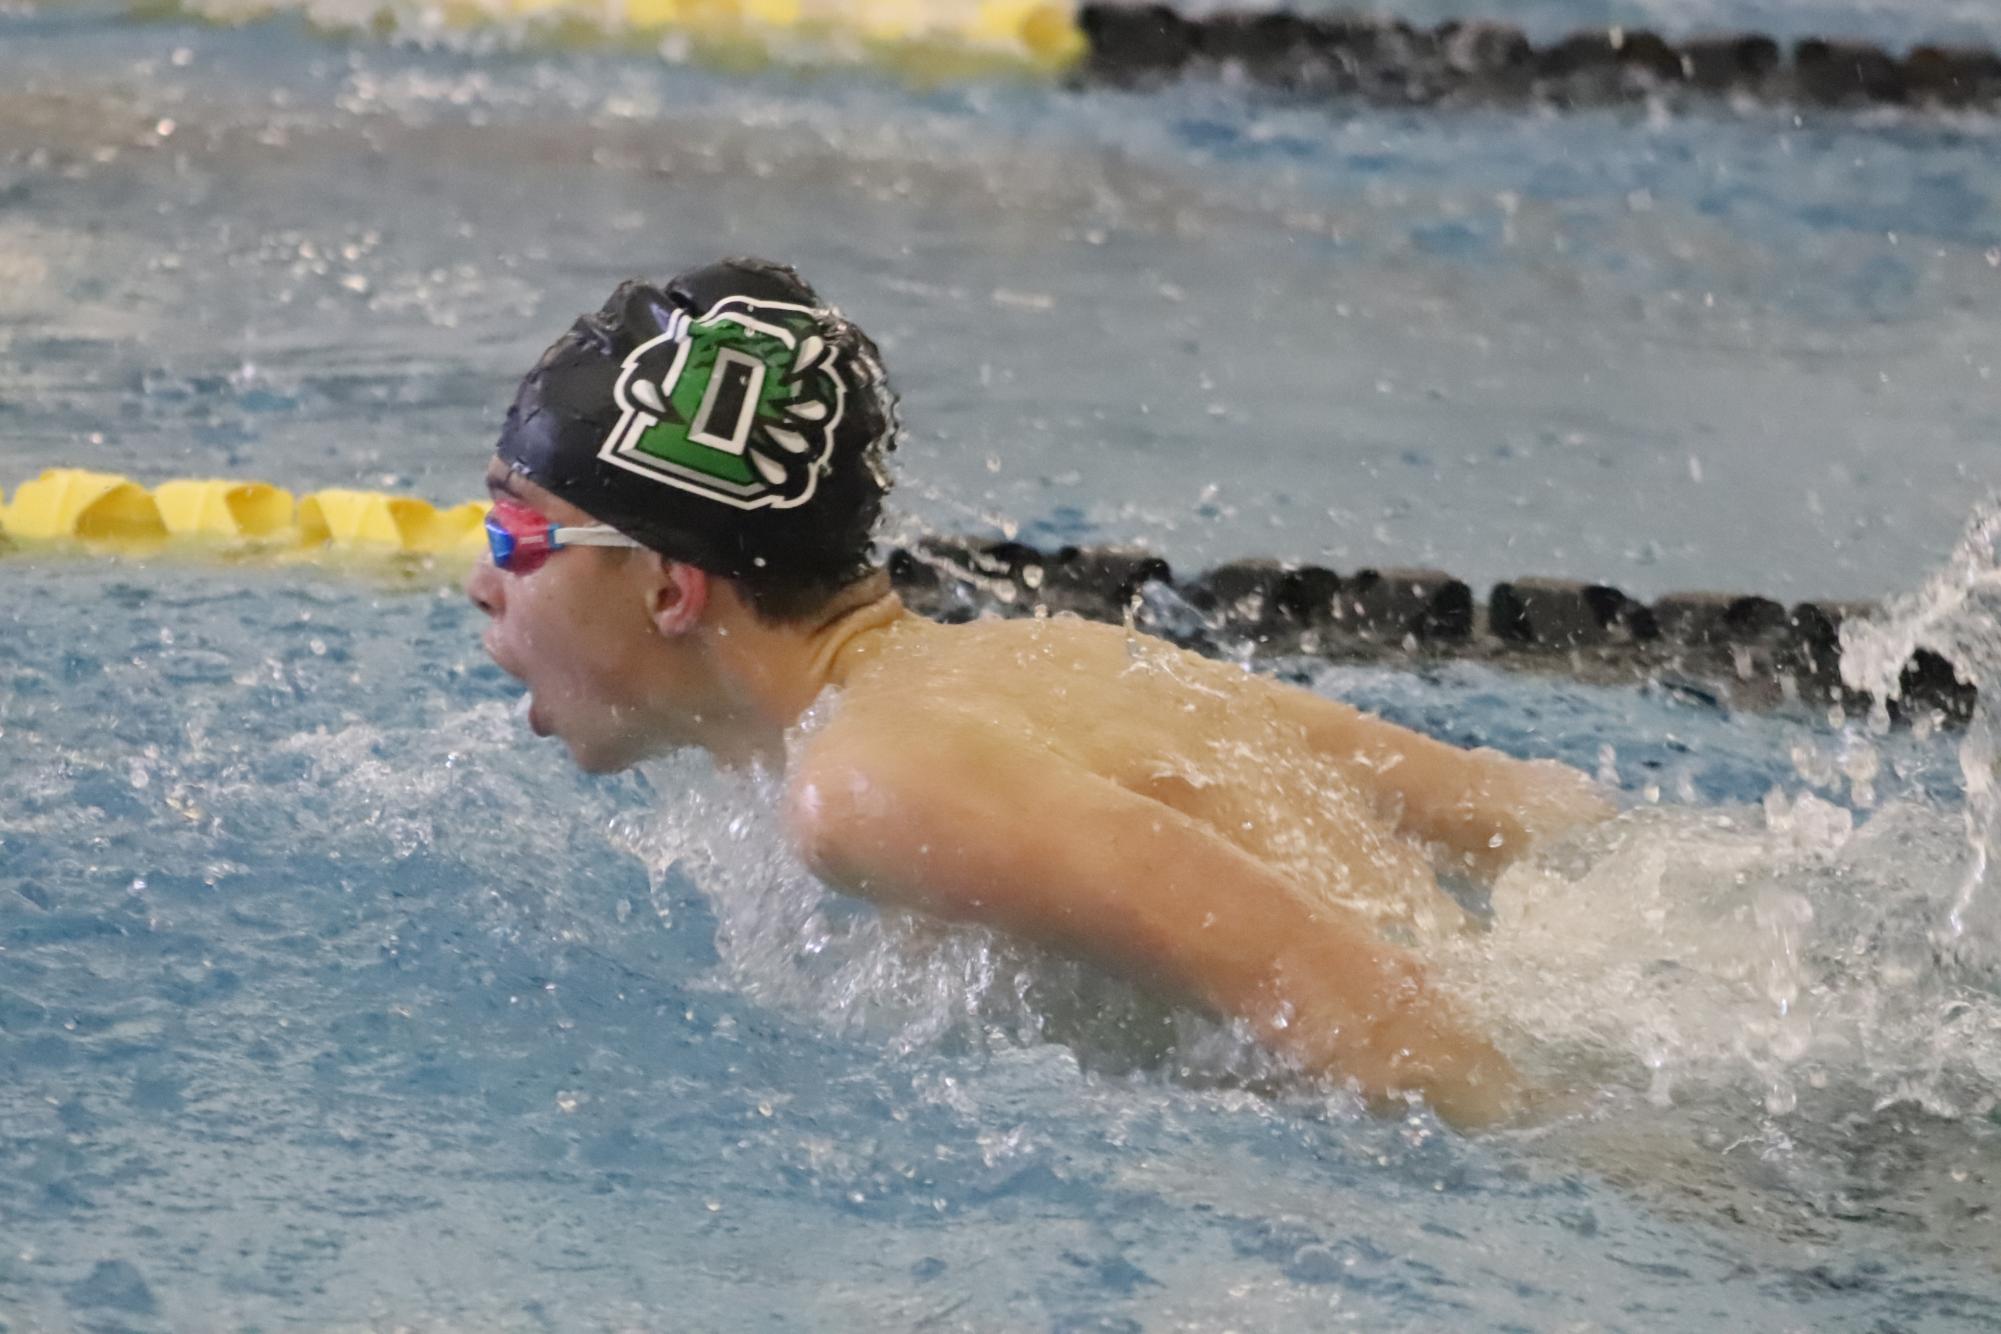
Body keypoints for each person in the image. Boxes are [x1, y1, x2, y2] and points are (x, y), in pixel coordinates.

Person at [466, 258, 1613, 1129]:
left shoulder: (867, 782)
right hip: (1585, 1002)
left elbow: (1386, 1023)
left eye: (514, 531)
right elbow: (1526, 811)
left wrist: (1623, 1178)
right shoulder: (1044, 656)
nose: (481, 582)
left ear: (671, 587)